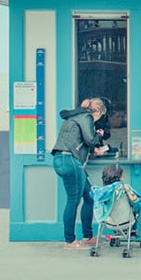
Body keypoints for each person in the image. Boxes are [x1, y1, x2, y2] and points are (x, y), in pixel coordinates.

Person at [50, 97, 109, 248]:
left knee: (89, 197)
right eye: (101, 116)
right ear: (98, 112)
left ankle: (87, 237)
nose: (99, 119)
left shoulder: (76, 116)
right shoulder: (86, 116)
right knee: (73, 200)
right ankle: (69, 240)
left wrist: (94, 151)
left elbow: (79, 141)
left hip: (65, 159)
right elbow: (90, 139)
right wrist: (99, 136)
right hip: (68, 160)